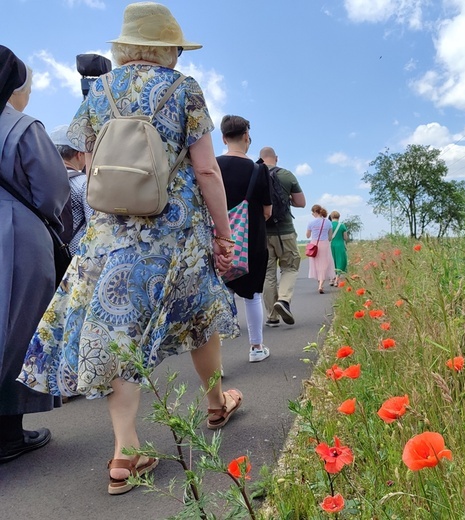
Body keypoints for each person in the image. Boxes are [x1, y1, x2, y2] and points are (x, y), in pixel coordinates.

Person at [17, 2, 243, 495]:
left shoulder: (99, 90)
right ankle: (215, 402)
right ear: (167, 48)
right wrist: (224, 234)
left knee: (121, 331)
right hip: (175, 233)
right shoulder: (183, 89)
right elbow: (207, 169)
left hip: (112, 236)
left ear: (126, 46)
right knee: (201, 315)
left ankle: (125, 452)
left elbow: (91, 161)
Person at [0, 46, 70, 464]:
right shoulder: (22, 128)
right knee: (17, 328)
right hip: (15, 235)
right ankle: (8, 434)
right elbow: (52, 191)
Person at [217, 116, 272, 363]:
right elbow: (267, 212)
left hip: (218, 240)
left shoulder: (212, 166)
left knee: (219, 296)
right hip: (251, 241)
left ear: (223, 138)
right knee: (252, 295)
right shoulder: (259, 170)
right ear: (247, 136)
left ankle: (215, 361)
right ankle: (256, 347)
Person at [259, 146, 306, 326]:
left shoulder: (255, 174)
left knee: (268, 274)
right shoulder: (287, 175)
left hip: (263, 234)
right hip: (285, 230)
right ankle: (284, 300)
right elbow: (301, 203)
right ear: (276, 158)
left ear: (261, 158)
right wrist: (287, 199)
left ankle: (272, 317)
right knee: (290, 267)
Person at [49, 124, 94, 255]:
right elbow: (94, 224)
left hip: (44, 255)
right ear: (80, 154)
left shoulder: (39, 182)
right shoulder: (84, 183)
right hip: (72, 257)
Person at [306, 205, 336, 294]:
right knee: (324, 264)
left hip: (314, 244)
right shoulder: (328, 222)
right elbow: (330, 237)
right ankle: (321, 285)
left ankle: (319, 284)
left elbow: (307, 235)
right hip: (325, 244)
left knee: (316, 264)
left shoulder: (311, 223)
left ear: (315, 212)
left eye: (312, 213)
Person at [329, 210, 349, 285]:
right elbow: (345, 237)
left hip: (331, 245)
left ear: (331, 217)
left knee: (332, 262)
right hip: (340, 245)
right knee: (340, 262)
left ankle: (331, 279)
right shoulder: (342, 225)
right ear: (339, 217)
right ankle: (336, 280)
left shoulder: (329, 225)